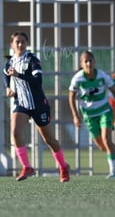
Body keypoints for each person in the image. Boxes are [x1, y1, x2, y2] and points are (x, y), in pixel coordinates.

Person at [4, 31, 70, 182]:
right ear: (12, 45)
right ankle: (27, 167)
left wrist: (18, 75)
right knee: (14, 132)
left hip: (38, 104)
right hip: (21, 103)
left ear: (27, 43)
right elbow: (5, 73)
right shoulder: (10, 62)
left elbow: (37, 81)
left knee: (49, 140)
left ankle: (63, 167)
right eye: (17, 42)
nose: (20, 44)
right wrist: (8, 87)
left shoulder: (32, 60)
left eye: (23, 42)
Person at [68, 50, 115, 178]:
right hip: (89, 115)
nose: (89, 63)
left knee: (106, 139)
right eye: (85, 61)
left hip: (104, 111)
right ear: (81, 64)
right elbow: (71, 96)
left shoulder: (102, 75)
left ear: (94, 62)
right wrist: (75, 116)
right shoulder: (78, 78)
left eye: (90, 60)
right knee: (101, 145)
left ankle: (113, 171)